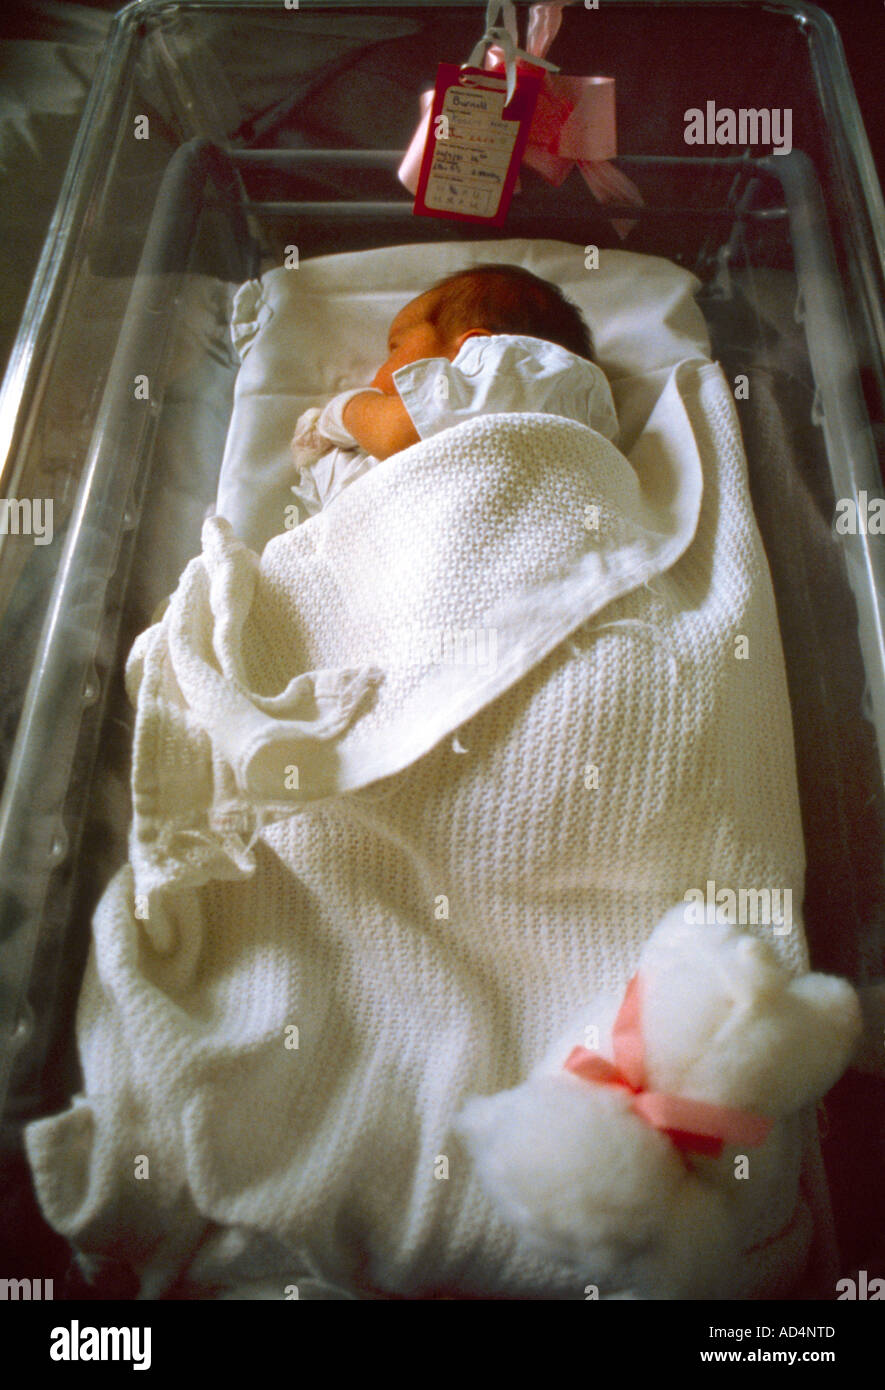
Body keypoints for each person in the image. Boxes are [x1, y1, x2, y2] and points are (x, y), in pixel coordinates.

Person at [290, 262, 620, 516]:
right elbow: (347, 512)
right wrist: (322, 458)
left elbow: (396, 433)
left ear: (471, 346)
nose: (380, 370)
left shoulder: (513, 368)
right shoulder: (438, 429)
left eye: (396, 346)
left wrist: (345, 411)